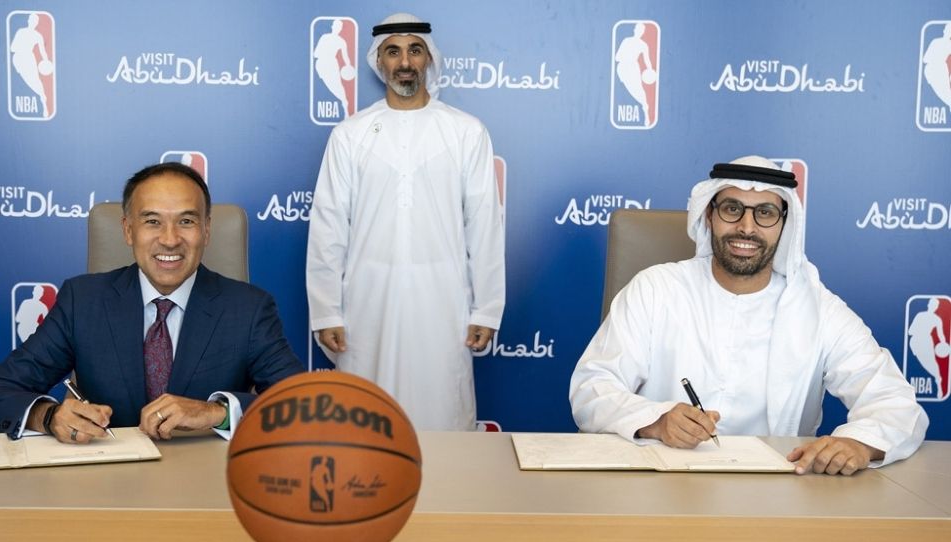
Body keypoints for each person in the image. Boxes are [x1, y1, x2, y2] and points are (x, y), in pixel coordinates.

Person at [570, 156, 928, 475]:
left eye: (765, 213)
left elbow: (894, 403)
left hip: (778, 492)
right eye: (732, 209)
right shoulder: (655, 289)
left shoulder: (819, 310)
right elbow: (592, 388)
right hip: (660, 484)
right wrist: (656, 421)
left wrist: (858, 443)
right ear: (709, 216)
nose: (746, 227)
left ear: (785, 225)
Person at [0, 162, 304, 443]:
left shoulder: (249, 308)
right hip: (106, 485)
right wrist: (49, 416)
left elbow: (305, 403)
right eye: (152, 221)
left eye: (186, 221)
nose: (170, 239)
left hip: (209, 483)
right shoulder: (82, 301)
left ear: (206, 230)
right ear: (128, 230)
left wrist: (218, 413)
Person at [306, 13, 505, 431]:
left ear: (429, 58)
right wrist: (326, 311)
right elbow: (328, 225)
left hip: (444, 302)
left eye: (415, 50)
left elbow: (484, 224)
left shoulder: (465, 132)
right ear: (378, 61)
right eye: (393, 52)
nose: (405, 62)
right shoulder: (351, 134)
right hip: (366, 303)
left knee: (443, 414)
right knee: (364, 417)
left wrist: (487, 308)